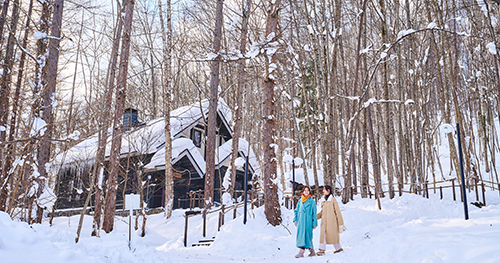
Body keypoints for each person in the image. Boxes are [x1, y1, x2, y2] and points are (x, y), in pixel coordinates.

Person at [316, 185, 345, 256]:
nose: (323, 191)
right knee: (323, 235)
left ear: (328, 190)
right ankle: (322, 249)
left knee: (333, 235)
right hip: (324, 222)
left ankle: (338, 249)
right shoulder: (324, 201)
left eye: (324, 189)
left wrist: (341, 223)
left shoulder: (333, 200)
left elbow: (337, 211)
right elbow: (322, 212)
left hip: (332, 222)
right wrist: (315, 217)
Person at [293, 186, 318, 258]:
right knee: (302, 236)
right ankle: (312, 251)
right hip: (301, 222)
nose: (306, 192)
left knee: (307, 237)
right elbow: (296, 211)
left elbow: (314, 213)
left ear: (309, 192)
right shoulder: (300, 201)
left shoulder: (312, 201)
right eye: (305, 190)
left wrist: (314, 223)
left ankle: (301, 252)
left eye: (307, 190)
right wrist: (295, 219)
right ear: (303, 192)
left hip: (308, 222)